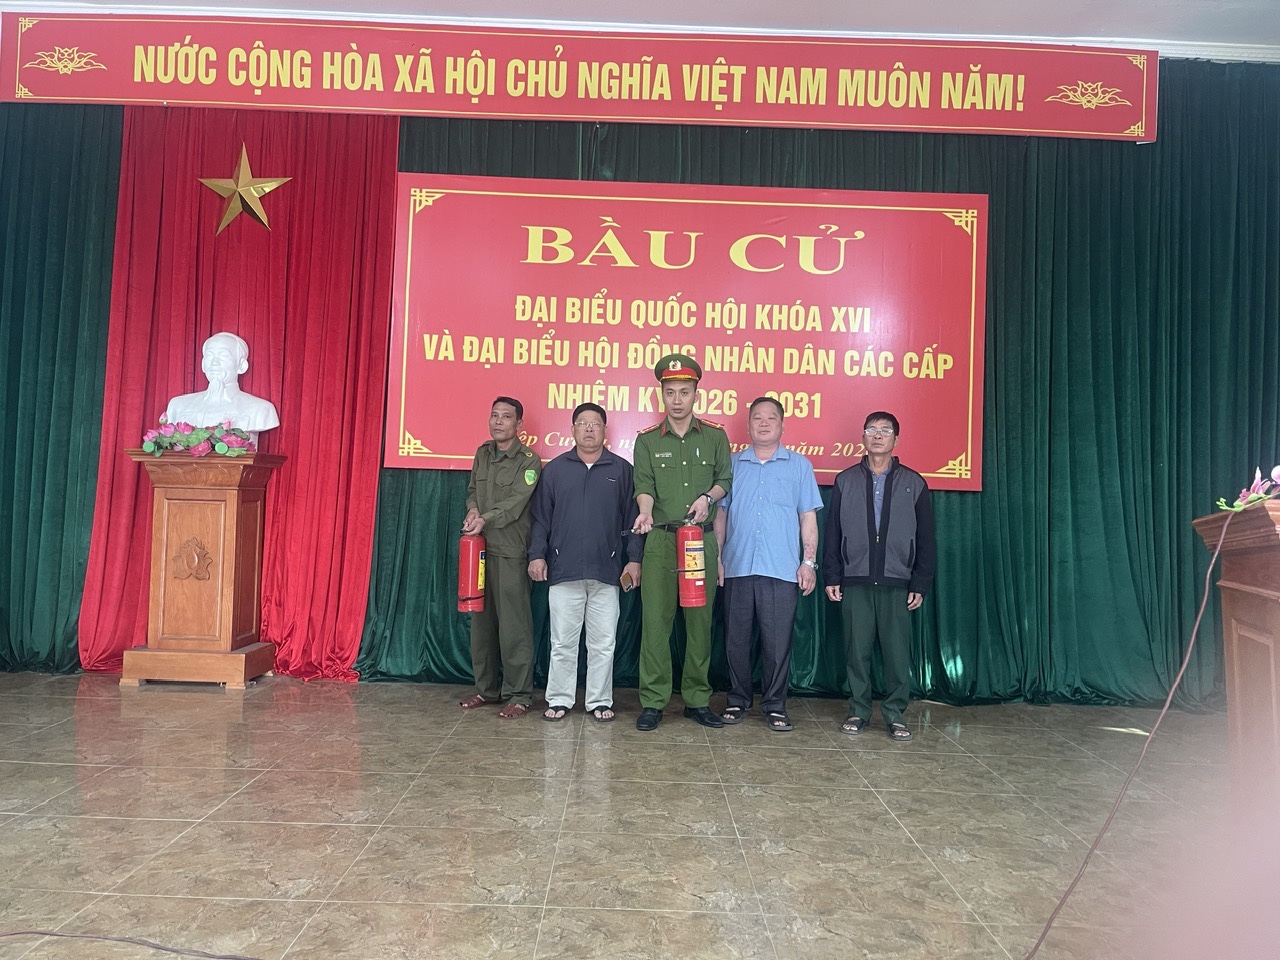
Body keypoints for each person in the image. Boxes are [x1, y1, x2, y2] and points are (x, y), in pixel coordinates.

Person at [631, 354, 732, 731]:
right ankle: (653, 701)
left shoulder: (715, 436)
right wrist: (645, 512)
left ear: (696, 394)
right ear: (661, 394)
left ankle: (697, 699)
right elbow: (643, 485)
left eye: (684, 392)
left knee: (699, 623)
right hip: (660, 542)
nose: (677, 399)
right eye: (670, 392)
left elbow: (725, 480)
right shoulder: (646, 441)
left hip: (699, 544)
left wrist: (708, 497)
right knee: (656, 624)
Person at [822, 411, 935, 742]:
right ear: (863, 437)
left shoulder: (914, 483)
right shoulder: (845, 481)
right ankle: (858, 711)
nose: (878, 435)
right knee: (856, 652)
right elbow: (833, 533)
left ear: (896, 439)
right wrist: (832, 576)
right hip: (855, 580)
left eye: (885, 431)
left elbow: (926, 539)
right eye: (871, 430)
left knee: (896, 654)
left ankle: (895, 713)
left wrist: (919, 583)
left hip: (897, 582)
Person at [528, 403, 643, 723]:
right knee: (562, 642)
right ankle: (559, 698)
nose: (589, 429)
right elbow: (541, 519)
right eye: (582, 423)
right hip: (563, 571)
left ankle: (599, 701)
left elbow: (633, 521)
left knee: (603, 643)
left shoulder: (622, 470)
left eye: (595, 424)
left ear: (605, 430)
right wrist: (537, 554)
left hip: (607, 571)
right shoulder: (555, 470)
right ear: (572, 430)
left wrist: (634, 560)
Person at [714, 397, 822, 733]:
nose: (763, 423)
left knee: (777, 643)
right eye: (757, 418)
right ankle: (737, 699)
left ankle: (775, 705)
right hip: (737, 566)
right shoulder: (731, 465)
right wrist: (717, 557)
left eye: (771, 418)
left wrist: (808, 562)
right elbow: (721, 516)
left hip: (781, 569)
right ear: (748, 425)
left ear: (782, 425)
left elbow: (807, 517)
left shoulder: (799, 466)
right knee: (735, 640)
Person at [459, 397, 542, 719]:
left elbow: (515, 504)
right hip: (479, 550)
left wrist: (486, 518)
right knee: (481, 624)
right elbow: (472, 491)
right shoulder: (482, 453)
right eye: (494, 415)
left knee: (514, 627)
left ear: (519, 425)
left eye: (506, 417)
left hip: (510, 551)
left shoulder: (529, 461)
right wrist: (473, 510)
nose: (498, 422)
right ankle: (486, 689)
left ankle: (519, 695)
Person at [164, 332, 280, 439]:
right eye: (210, 356)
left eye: (224, 356)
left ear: (242, 366)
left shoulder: (260, 409)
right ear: (203, 364)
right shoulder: (178, 406)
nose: (214, 363)